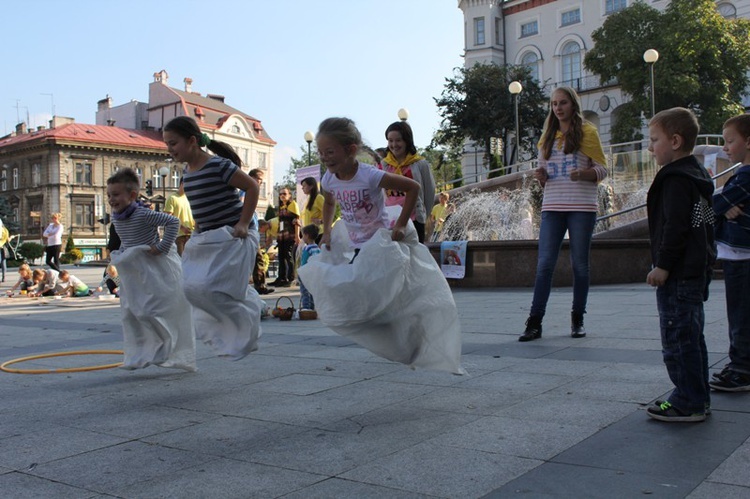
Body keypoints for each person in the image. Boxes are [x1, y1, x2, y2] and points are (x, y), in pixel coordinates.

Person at [299, 117, 463, 373]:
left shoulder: (369, 175)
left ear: (350, 149)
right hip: (357, 245)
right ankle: (399, 339)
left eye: (329, 152)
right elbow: (330, 202)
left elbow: (413, 187)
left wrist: (399, 224)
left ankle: (415, 334)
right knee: (368, 299)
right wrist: (328, 229)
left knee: (393, 295)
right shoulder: (329, 179)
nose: (324, 158)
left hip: (381, 242)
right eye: (321, 153)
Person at [163, 115, 262, 360]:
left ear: (192, 141)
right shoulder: (187, 173)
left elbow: (252, 187)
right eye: (167, 144)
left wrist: (243, 223)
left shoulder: (218, 165)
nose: (169, 149)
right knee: (190, 287)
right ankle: (247, 301)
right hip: (207, 237)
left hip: (232, 236)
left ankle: (249, 309)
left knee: (213, 288)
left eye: (173, 143)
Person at [519, 87, 608, 342]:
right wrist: (541, 177)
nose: (558, 108)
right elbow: (544, 176)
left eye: (563, 103)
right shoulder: (547, 137)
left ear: (573, 105)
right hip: (552, 206)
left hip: (582, 206)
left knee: (580, 265)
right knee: (544, 265)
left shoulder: (588, 133)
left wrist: (585, 174)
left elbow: (603, 169)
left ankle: (577, 318)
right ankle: (534, 322)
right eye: (554, 104)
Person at [645, 107, 715, 423]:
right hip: (694, 271)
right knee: (692, 338)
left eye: (654, 139)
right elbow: (705, 226)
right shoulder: (697, 176)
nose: (650, 147)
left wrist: (663, 265)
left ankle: (687, 401)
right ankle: (698, 397)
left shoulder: (675, 179)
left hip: (677, 274)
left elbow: (676, 227)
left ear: (675, 141)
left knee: (678, 340)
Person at [107, 167, 196, 371]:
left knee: (151, 310)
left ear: (132, 195)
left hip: (154, 267)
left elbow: (173, 222)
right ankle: (139, 354)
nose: (112, 199)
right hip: (135, 270)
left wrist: (162, 246)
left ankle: (166, 347)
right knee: (131, 312)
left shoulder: (142, 214)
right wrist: (122, 254)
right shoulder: (116, 216)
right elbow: (126, 240)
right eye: (109, 195)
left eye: (116, 195)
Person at [710, 114, 750, 392]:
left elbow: (706, 207)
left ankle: (741, 368)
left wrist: (722, 206)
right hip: (740, 254)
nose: (725, 148)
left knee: (740, 314)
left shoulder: (745, 177)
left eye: (730, 141)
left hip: (740, 256)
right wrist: (725, 207)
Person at [381, 121, 436, 243]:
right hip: (391, 218)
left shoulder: (420, 164)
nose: (394, 144)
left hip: (414, 219)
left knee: (415, 256)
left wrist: (423, 214)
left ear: (407, 140)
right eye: (390, 140)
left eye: (398, 140)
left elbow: (429, 192)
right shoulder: (384, 164)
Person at [249, 169, 273, 294]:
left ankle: (259, 285)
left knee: (257, 259)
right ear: (252, 177)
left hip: (252, 230)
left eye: (261, 181)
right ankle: (259, 286)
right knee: (258, 259)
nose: (260, 183)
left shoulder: (250, 190)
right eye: (259, 180)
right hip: (249, 231)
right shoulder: (246, 189)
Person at [270, 187, 299, 287]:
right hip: (281, 236)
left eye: (284, 194)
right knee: (281, 257)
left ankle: (290, 278)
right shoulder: (281, 207)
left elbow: (296, 221)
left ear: (289, 195)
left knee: (288, 257)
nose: (282, 195)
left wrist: (297, 236)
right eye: (280, 194)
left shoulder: (293, 205)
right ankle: (281, 278)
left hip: (290, 235)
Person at [163, 178, 194, 256]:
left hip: (191, 235)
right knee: (181, 262)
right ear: (182, 183)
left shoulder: (189, 198)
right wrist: (182, 227)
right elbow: (168, 217)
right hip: (178, 236)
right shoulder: (172, 198)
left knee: (191, 261)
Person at [298, 224, 321, 314]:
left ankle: (306, 308)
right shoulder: (318, 248)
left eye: (303, 235)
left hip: (306, 273)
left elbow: (304, 262)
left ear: (307, 235)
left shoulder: (307, 248)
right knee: (312, 291)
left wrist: (300, 272)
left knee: (304, 291)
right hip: (314, 273)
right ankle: (312, 307)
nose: (302, 237)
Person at [299, 177, 324, 242]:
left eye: (304, 186)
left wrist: (321, 221)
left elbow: (329, 212)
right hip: (309, 234)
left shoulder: (318, 198)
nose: (302, 188)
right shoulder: (309, 199)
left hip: (318, 233)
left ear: (311, 186)